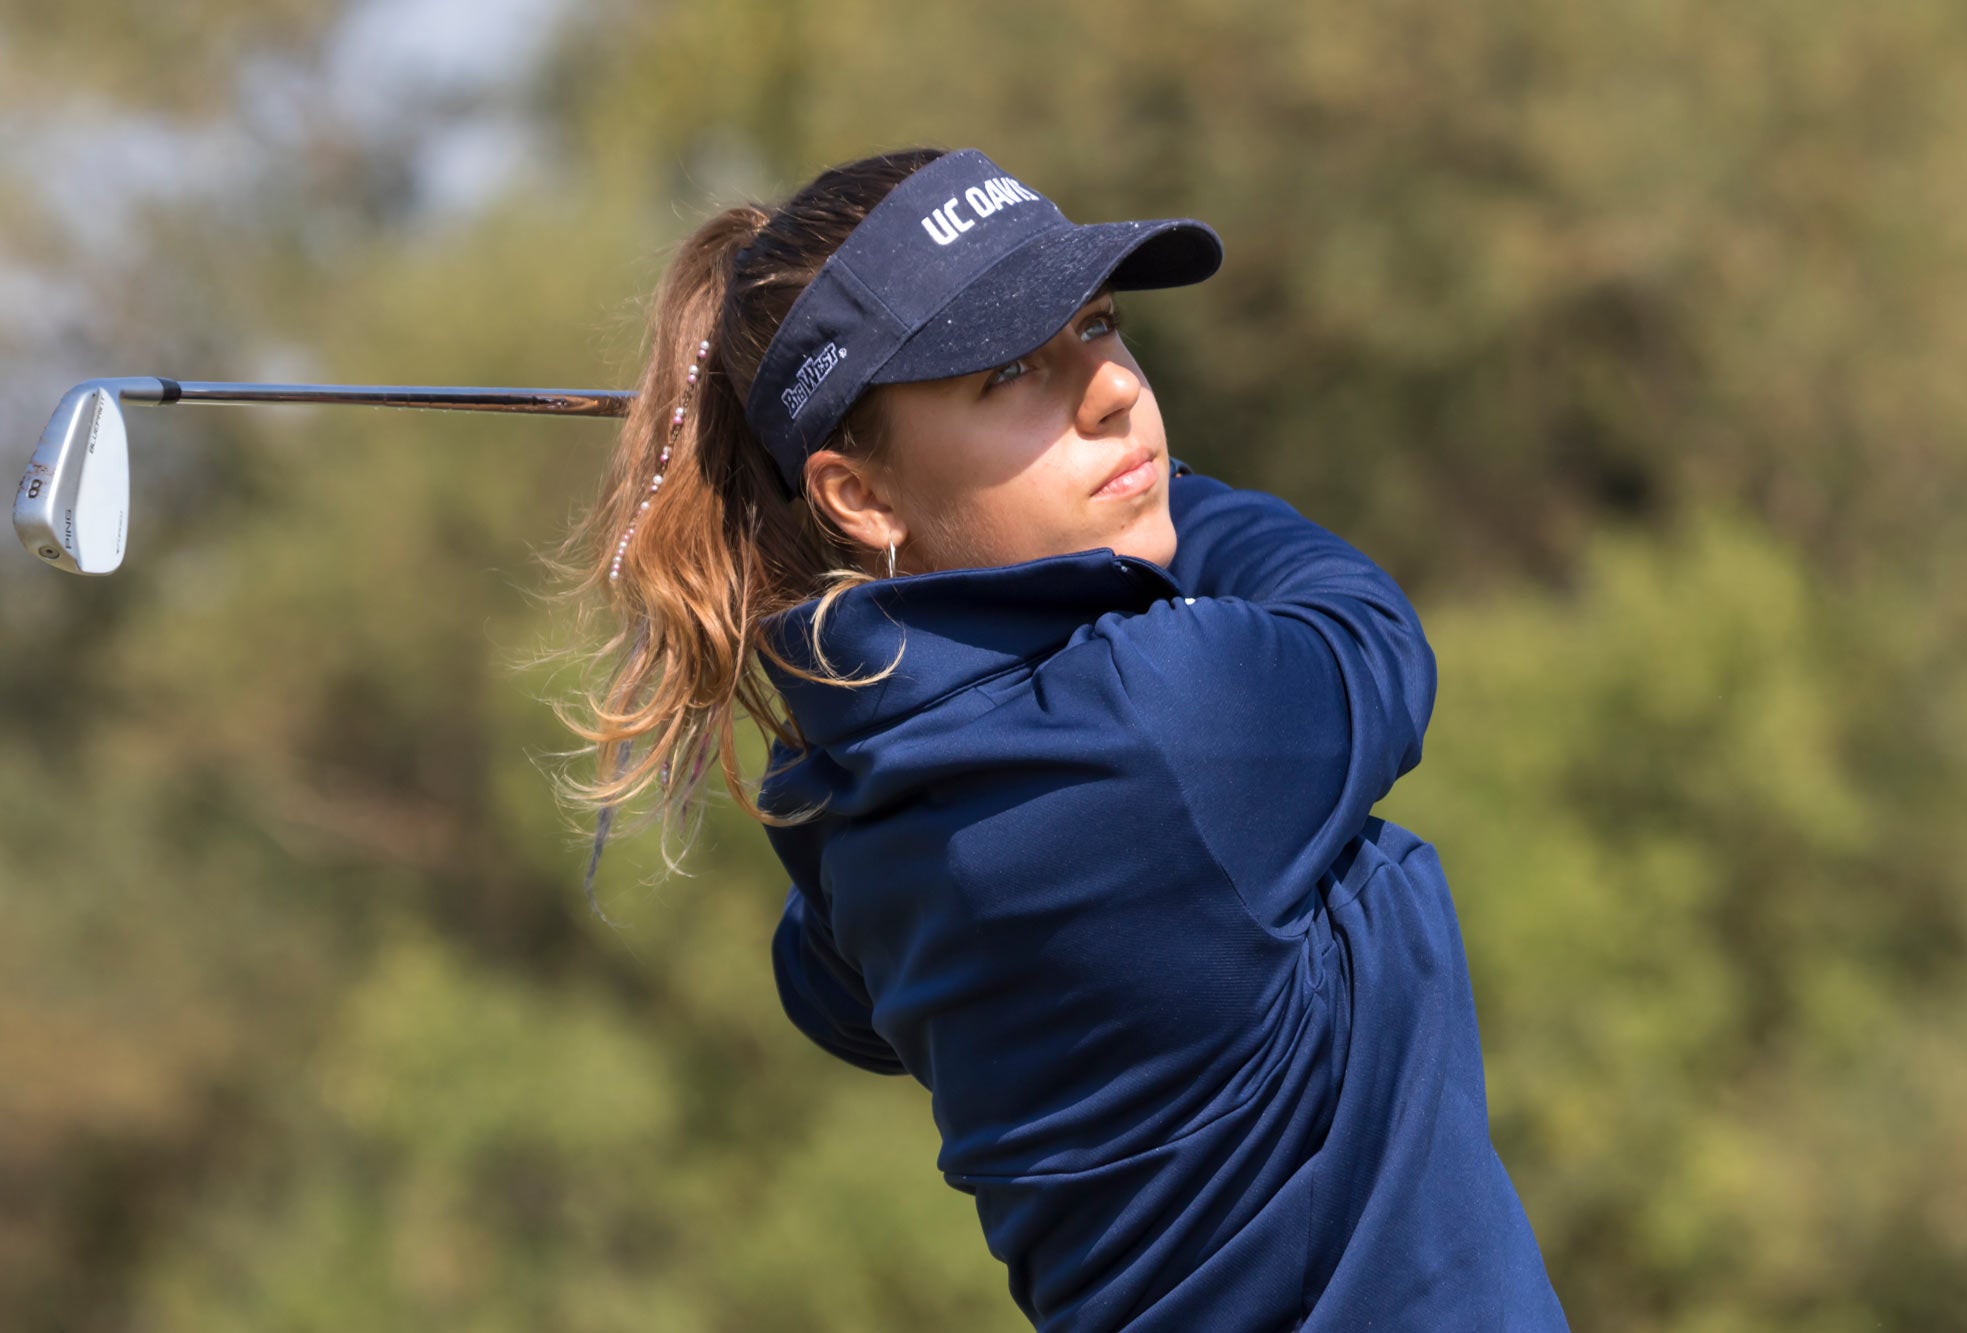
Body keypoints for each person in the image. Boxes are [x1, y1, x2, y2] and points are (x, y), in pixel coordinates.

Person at [549, 146, 1569, 1331]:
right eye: (1009, 372)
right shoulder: (1163, 722)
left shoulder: (854, 801)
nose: (1112, 390)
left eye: (1096, 323)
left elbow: (827, 993)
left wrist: (1101, 498)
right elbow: (1367, 629)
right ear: (858, 495)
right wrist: (1159, 488)